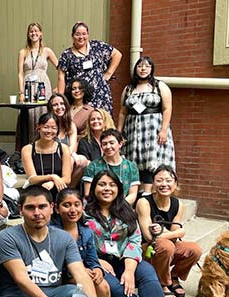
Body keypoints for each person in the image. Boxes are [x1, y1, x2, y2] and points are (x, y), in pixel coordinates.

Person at [85, 170, 183, 297]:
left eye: (112, 185)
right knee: (115, 288)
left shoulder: (126, 212)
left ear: (119, 189)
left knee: (147, 273)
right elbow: (78, 242)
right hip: (97, 263)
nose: (107, 189)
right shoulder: (83, 213)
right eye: (102, 184)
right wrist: (97, 260)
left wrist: (129, 270)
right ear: (94, 188)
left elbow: (134, 240)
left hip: (125, 260)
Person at [52, 189, 121, 297]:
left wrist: (97, 269)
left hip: (84, 274)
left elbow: (92, 258)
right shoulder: (52, 231)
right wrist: (80, 272)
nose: (72, 210)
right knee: (80, 288)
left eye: (76, 205)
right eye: (66, 205)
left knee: (103, 285)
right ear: (56, 208)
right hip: (63, 278)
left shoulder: (86, 231)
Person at [136, 165, 201, 297]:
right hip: (145, 252)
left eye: (168, 180)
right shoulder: (144, 202)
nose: (164, 184)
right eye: (159, 180)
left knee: (194, 249)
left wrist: (172, 233)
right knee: (166, 246)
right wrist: (175, 232)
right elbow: (148, 237)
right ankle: (162, 284)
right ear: (153, 183)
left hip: (164, 249)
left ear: (175, 184)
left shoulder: (178, 205)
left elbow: (175, 236)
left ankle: (174, 276)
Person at [118, 56, 176, 195]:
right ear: (135, 69)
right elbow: (122, 112)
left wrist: (163, 130)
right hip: (133, 129)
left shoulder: (159, 86)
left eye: (147, 66)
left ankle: (148, 193)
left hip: (153, 129)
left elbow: (167, 108)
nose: (143, 69)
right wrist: (118, 132)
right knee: (135, 159)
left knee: (151, 160)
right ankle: (135, 192)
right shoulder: (128, 89)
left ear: (151, 69)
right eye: (140, 66)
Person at [57, 22, 122, 115]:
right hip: (79, 97)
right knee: (80, 123)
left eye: (84, 34)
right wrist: (61, 99)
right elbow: (61, 77)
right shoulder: (66, 54)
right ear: (72, 36)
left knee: (102, 123)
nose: (81, 37)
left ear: (88, 35)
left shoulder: (97, 46)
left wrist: (108, 73)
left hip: (100, 94)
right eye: (77, 34)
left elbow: (117, 54)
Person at [17, 22, 59, 143]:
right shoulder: (23, 52)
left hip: (43, 87)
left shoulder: (47, 51)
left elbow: (61, 69)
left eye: (36, 31)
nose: (34, 33)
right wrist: (20, 92)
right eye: (31, 31)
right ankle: (27, 146)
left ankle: (45, 144)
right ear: (28, 34)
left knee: (43, 113)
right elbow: (20, 73)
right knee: (28, 115)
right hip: (28, 87)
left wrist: (58, 87)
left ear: (41, 34)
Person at [21, 113, 72, 200]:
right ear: (38, 127)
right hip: (36, 191)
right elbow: (32, 179)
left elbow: (67, 179)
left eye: (54, 128)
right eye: (46, 127)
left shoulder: (63, 148)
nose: (49, 131)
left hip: (57, 190)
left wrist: (52, 182)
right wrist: (52, 177)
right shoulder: (28, 149)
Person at [83, 128, 139, 205]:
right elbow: (88, 193)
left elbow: (132, 195)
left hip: (123, 207)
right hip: (99, 207)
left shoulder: (131, 166)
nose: (108, 146)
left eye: (111, 143)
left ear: (120, 144)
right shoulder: (93, 166)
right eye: (104, 144)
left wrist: (118, 206)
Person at [47, 93, 86, 188]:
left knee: (83, 160)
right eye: (55, 105)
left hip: (67, 155)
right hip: (51, 155)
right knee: (71, 160)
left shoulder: (71, 125)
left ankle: (69, 188)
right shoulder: (48, 124)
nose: (59, 107)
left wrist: (68, 154)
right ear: (50, 108)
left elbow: (73, 146)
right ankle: (63, 188)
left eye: (62, 103)